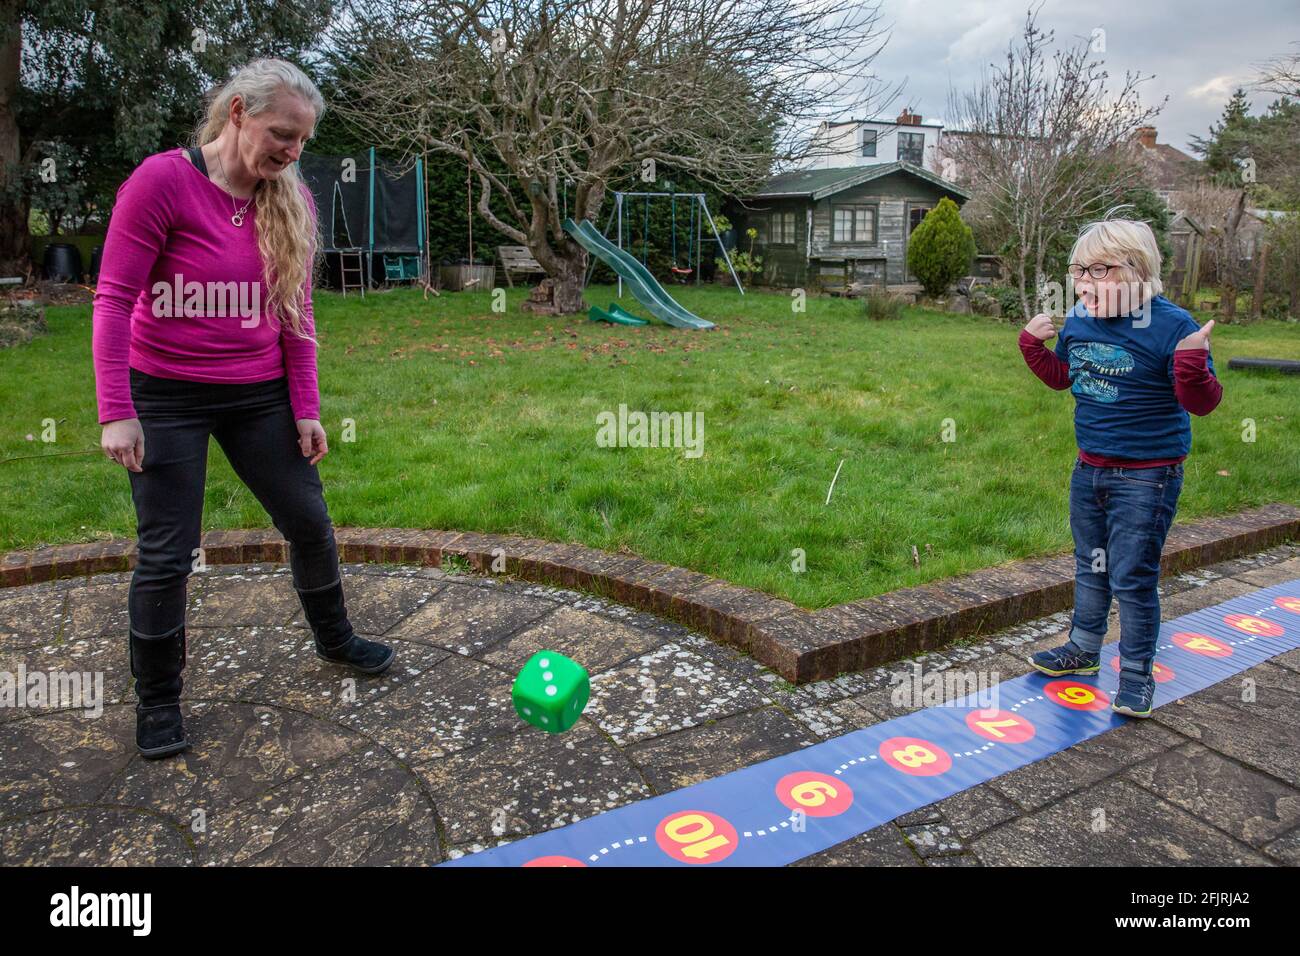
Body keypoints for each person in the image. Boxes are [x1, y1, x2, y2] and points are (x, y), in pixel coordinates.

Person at [94, 58, 394, 760]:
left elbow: (297, 312)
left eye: (301, 143)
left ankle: (336, 638)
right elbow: (111, 300)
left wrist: (306, 407)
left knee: (310, 521)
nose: (291, 153)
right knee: (169, 552)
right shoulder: (161, 182)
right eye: (280, 135)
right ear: (236, 112)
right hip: (165, 394)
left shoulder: (286, 199)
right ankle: (159, 700)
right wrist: (117, 409)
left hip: (257, 395)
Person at [1018, 217, 1222, 718]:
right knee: (1091, 564)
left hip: (1148, 475)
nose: (1084, 281)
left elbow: (1201, 403)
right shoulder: (1081, 319)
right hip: (1089, 468)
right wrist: (1031, 348)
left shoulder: (1173, 326)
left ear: (1139, 270)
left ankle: (1135, 673)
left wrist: (1194, 364)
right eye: (1078, 270)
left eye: (1100, 270)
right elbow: (1064, 377)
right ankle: (1083, 650)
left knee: (1132, 575)